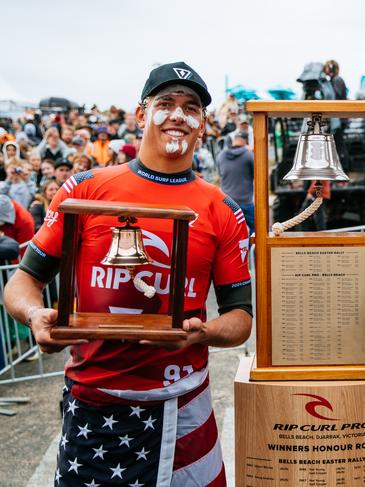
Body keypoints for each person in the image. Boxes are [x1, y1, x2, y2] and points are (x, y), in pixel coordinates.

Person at [4, 61, 252, 486]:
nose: (178, 115)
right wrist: (33, 316)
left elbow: (240, 319)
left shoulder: (222, 210)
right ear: (141, 114)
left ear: (203, 124)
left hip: (183, 406)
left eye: (190, 107)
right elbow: (23, 281)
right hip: (94, 408)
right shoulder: (83, 189)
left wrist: (204, 332)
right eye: (166, 103)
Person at [217, 130, 255, 233]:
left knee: (230, 232)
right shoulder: (248, 155)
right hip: (245, 201)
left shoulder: (221, 156)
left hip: (227, 203)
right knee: (257, 230)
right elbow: (256, 174)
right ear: (245, 142)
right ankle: (251, 249)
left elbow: (220, 174)